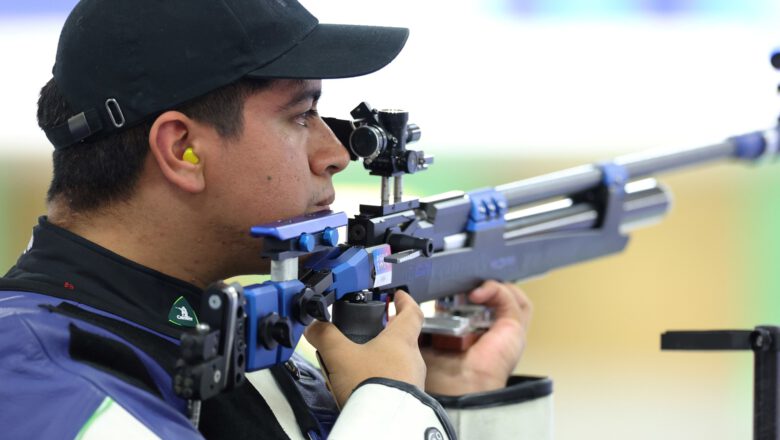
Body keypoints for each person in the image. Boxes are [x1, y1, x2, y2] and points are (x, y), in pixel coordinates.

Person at [0, 0, 551, 438]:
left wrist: (448, 400)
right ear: (183, 149)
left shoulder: (234, 343)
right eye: (302, 114)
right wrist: (390, 405)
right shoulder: (29, 376)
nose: (335, 152)